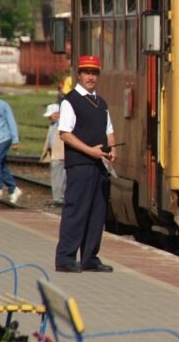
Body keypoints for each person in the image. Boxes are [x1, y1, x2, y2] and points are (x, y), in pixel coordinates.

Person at [54, 55, 117, 273]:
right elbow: (65, 134)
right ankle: (65, 258)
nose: (90, 77)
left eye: (94, 73)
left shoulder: (101, 103)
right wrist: (90, 151)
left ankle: (90, 257)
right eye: (87, 73)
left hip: (99, 165)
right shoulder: (70, 101)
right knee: (76, 211)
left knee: (96, 213)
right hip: (80, 164)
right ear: (79, 75)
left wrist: (112, 149)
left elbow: (109, 130)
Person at [40, 103, 66, 206]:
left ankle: (59, 199)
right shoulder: (53, 125)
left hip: (61, 155)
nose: (49, 118)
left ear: (56, 114)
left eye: (50, 115)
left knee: (61, 178)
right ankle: (58, 198)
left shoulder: (62, 124)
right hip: (55, 154)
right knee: (57, 177)